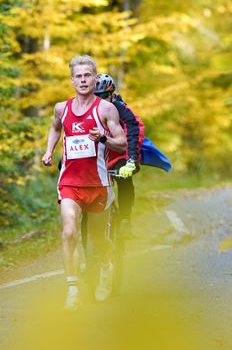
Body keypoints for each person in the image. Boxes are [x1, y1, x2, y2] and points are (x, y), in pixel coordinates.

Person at [42, 55, 127, 311]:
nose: (82, 80)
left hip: (98, 184)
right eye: (78, 76)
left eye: (87, 75)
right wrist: (48, 151)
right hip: (69, 182)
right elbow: (56, 128)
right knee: (69, 232)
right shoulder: (62, 108)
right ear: (71, 80)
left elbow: (121, 142)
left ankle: (105, 266)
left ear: (94, 77)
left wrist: (102, 137)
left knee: (99, 240)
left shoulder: (105, 109)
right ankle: (73, 289)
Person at [94, 73, 145, 236]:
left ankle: (125, 218)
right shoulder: (88, 110)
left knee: (124, 178)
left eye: (102, 96)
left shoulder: (121, 109)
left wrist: (131, 160)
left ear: (111, 94)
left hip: (120, 156)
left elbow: (133, 133)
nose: (99, 100)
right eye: (95, 96)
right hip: (99, 158)